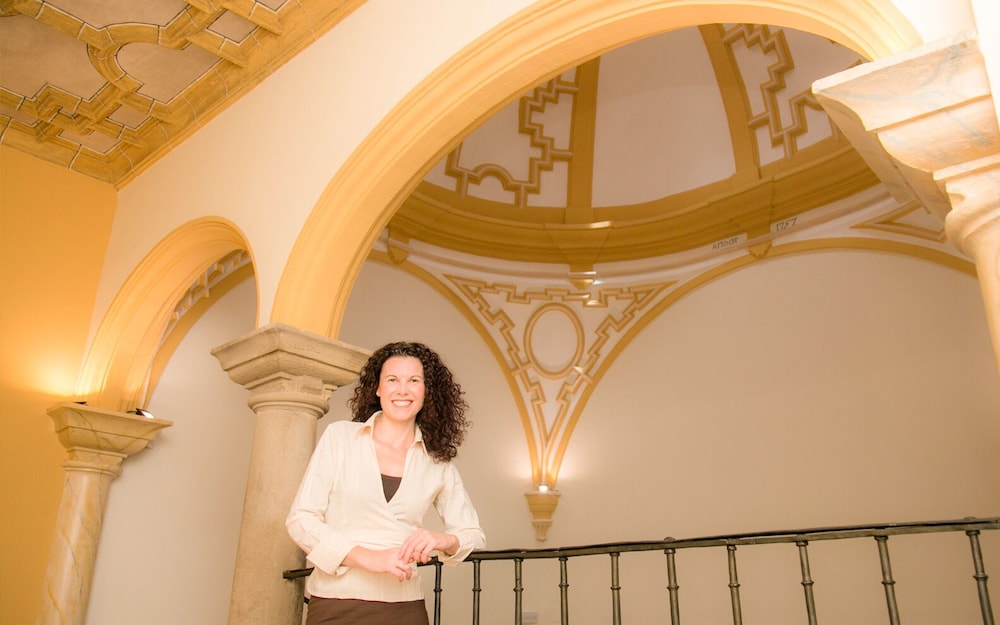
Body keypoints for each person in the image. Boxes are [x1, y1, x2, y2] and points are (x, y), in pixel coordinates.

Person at [286, 341, 486, 624]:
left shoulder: (437, 462)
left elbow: (473, 535)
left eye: (414, 380)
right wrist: (368, 558)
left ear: (427, 391)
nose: (402, 390)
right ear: (378, 388)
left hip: (405, 607)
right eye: (392, 379)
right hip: (336, 603)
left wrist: (440, 539)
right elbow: (301, 519)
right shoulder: (340, 437)